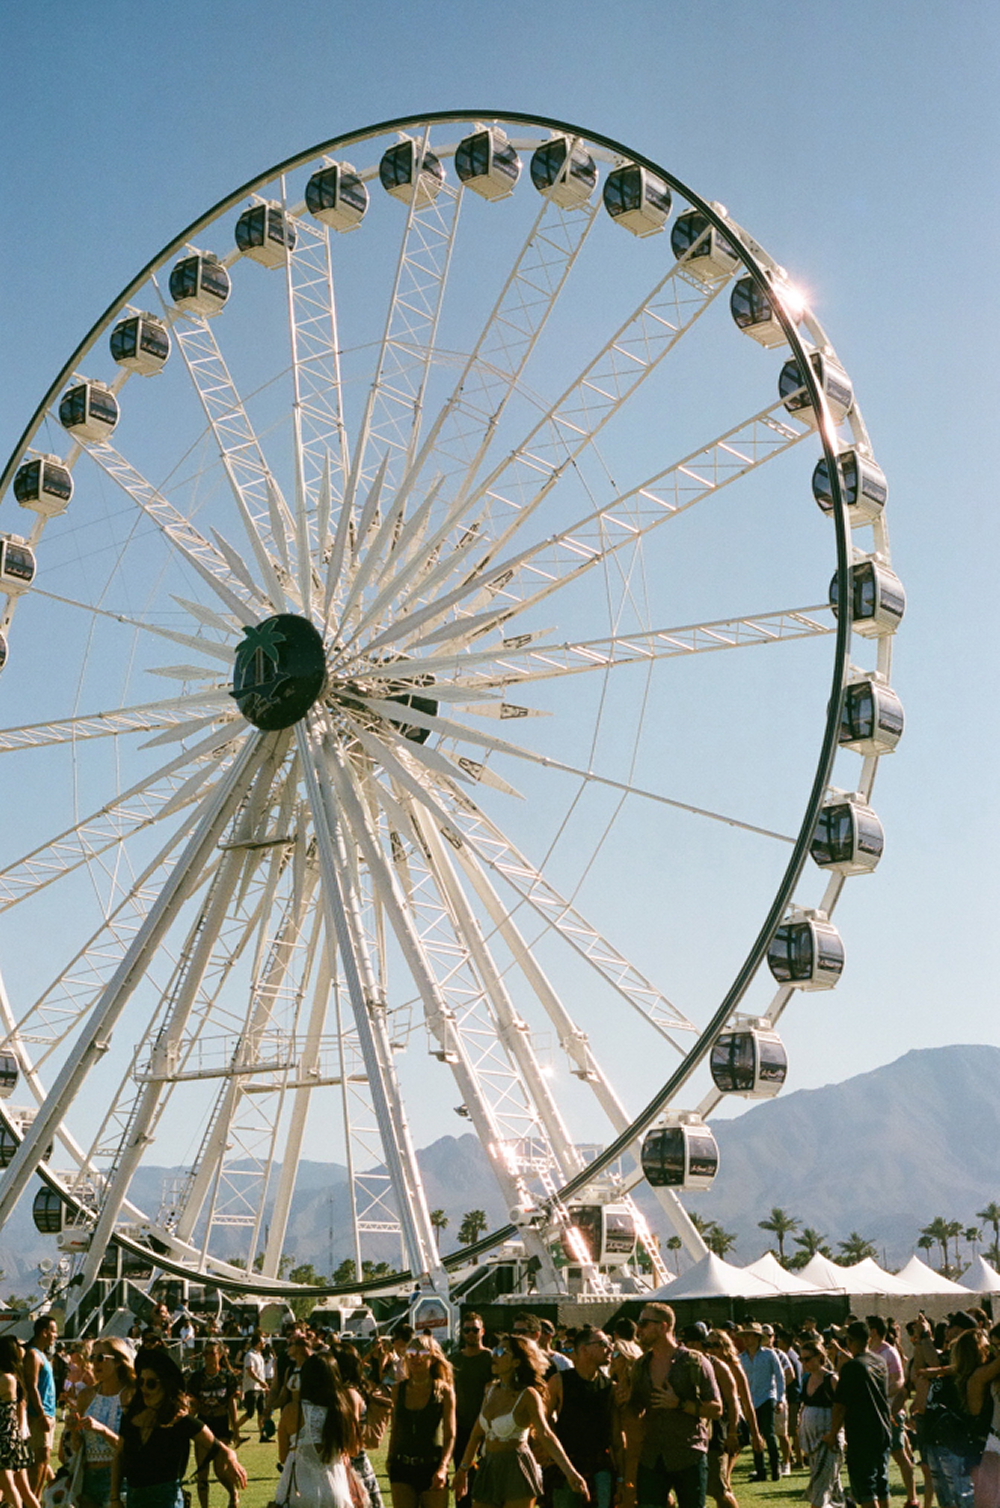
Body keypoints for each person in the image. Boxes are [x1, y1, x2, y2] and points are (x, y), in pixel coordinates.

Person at [453, 1334, 588, 1508]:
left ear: (516, 1362)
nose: (494, 1355)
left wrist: (571, 1472)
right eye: (495, 1350)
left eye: (502, 1351)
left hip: (517, 1469)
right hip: (489, 1467)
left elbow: (546, 1434)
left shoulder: (528, 1395)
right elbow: (476, 1434)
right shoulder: (491, 1390)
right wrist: (463, 1470)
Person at [110, 1349, 246, 1508]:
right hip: (135, 1500)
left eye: (151, 1384)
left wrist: (231, 1457)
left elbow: (218, 1447)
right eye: (141, 1382)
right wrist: (115, 1498)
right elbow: (119, 1456)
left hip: (167, 1501)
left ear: (166, 1386)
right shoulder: (131, 1417)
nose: (144, 1389)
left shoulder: (180, 1420)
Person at [621, 1301, 722, 1508]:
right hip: (652, 1457)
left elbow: (717, 1409)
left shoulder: (695, 1362)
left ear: (663, 1326)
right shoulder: (641, 1365)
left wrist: (679, 1404)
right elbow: (636, 1410)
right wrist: (625, 1401)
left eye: (644, 1323)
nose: (638, 1329)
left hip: (689, 1454)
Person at [274, 1353, 356, 1508]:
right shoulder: (342, 1410)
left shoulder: (292, 1410)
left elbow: (283, 1456)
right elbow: (352, 1449)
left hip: (299, 1490)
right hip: (335, 1488)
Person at [547, 1328, 618, 1508]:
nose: (609, 1349)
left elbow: (617, 1434)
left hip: (600, 1466)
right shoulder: (559, 1382)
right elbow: (543, 1421)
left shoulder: (610, 1387)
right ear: (584, 1349)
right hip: (567, 1465)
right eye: (602, 1344)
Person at [826, 1319, 892, 1508]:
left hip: (862, 1434)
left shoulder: (851, 1368)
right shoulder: (879, 1361)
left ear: (849, 1341)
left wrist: (832, 1434)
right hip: (882, 1429)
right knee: (881, 1483)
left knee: (865, 1487)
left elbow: (840, 1406)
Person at [62, 1338, 135, 1508]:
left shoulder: (131, 1395)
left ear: (117, 1361)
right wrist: (73, 1430)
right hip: (88, 1478)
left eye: (101, 1358)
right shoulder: (86, 1396)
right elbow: (79, 1447)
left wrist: (102, 1430)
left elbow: (131, 1447)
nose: (95, 1363)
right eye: (92, 1358)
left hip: (120, 1478)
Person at [387, 1335, 456, 1508]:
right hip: (402, 1465)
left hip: (431, 1466)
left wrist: (443, 1467)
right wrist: (390, 1458)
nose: (415, 1357)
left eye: (422, 1352)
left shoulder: (443, 1391)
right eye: (411, 1352)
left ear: (432, 1358)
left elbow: (450, 1434)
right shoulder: (398, 1389)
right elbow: (395, 1427)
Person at [867, 1315, 918, 1507]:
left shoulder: (889, 1352)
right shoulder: (869, 1351)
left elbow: (899, 1380)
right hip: (875, 1412)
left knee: (899, 1454)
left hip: (891, 1411)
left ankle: (912, 1497)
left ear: (874, 1331)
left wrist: (881, 1396)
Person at [187, 1341, 241, 1508]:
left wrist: (236, 1429)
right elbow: (193, 1404)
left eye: (212, 1352)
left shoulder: (227, 1377)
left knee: (220, 1470)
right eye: (206, 1353)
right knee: (202, 1472)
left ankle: (233, 1494)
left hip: (221, 1425)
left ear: (219, 1355)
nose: (208, 1357)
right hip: (203, 1425)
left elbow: (232, 1404)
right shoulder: (197, 1377)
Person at [453, 1315, 495, 1508]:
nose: (471, 1334)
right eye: (467, 1330)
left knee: (488, 1478)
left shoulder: (491, 1359)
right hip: (461, 1427)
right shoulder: (454, 1359)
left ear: (483, 1331)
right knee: (462, 1478)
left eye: (475, 1330)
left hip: (488, 1428)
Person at [797, 1339, 844, 1508]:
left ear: (819, 1357)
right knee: (833, 1488)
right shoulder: (806, 1378)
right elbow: (804, 1406)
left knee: (821, 1488)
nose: (805, 1363)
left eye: (808, 1359)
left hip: (828, 1439)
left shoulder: (831, 1380)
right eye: (801, 1359)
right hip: (812, 1441)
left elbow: (842, 1409)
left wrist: (833, 1434)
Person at [738, 1321, 785, 1482]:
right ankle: (760, 1470)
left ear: (758, 1338)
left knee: (769, 1434)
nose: (746, 1339)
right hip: (750, 1401)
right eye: (745, 1336)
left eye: (750, 1335)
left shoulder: (769, 1354)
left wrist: (780, 1399)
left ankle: (775, 1467)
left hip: (767, 1397)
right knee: (755, 1435)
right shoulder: (741, 1358)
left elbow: (780, 1376)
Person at [0, 1336, 40, 1508]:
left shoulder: (6, 1379)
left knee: (8, 1484)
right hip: (11, 1437)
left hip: (4, 1437)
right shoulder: (12, 1377)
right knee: (20, 1487)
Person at [23, 1315, 57, 1498]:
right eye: (54, 1331)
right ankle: (32, 1499)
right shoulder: (33, 1354)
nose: (56, 1336)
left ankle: (36, 1498)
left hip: (49, 1413)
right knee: (39, 1460)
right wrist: (41, 1414)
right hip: (39, 1415)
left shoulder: (43, 1354)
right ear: (45, 1332)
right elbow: (32, 1386)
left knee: (44, 1460)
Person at [237, 1334, 267, 1442]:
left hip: (260, 1388)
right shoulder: (250, 1355)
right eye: (263, 1342)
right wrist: (261, 1382)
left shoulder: (259, 1355)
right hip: (252, 1387)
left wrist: (263, 1384)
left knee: (262, 1412)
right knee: (250, 1413)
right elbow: (250, 1371)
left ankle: (263, 1436)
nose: (265, 1344)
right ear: (258, 1343)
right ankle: (234, 1430)